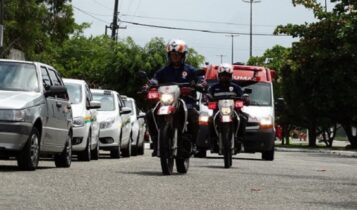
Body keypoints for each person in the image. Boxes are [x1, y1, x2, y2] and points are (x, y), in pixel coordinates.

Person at [145, 39, 202, 156]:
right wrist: (150, 84)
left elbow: (200, 79)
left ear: (182, 56)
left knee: (194, 115)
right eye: (172, 55)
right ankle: (156, 142)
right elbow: (155, 79)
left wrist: (200, 84)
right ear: (169, 56)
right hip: (166, 102)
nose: (175, 57)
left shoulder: (190, 70)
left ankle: (192, 143)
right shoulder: (163, 71)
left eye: (177, 55)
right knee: (150, 114)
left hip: (186, 102)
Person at [207, 63, 248, 146]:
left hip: (234, 111)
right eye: (222, 75)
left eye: (227, 75)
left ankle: (240, 139)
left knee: (243, 118)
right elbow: (208, 96)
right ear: (219, 75)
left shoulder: (236, 87)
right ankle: (213, 140)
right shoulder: (213, 87)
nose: (224, 77)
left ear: (231, 76)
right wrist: (207, 99)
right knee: (210, 120)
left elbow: (243, 95)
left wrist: (245, 99)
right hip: (218, 111)